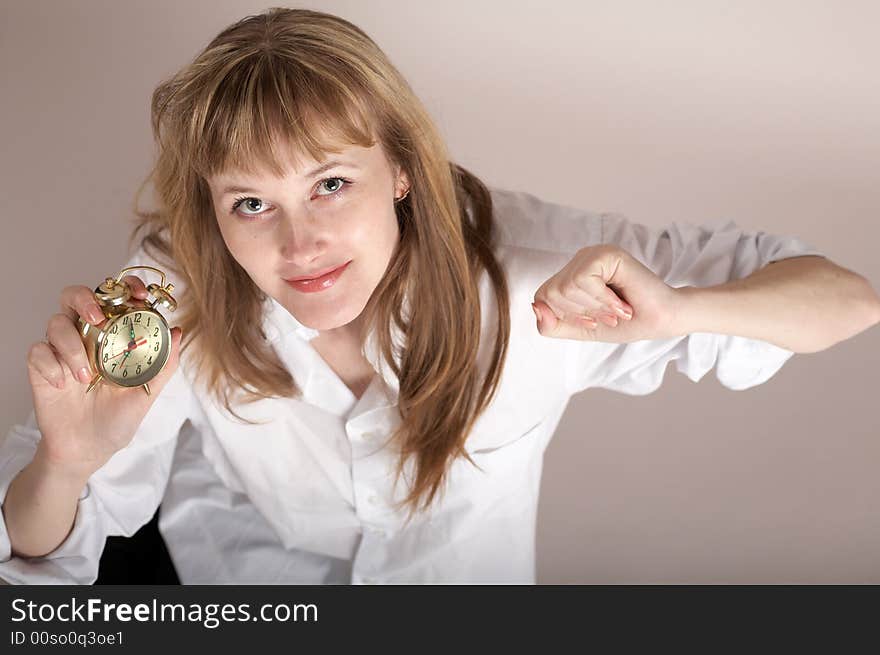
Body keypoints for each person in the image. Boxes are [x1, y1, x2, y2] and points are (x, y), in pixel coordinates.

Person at [1, 8, 877, 585]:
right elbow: (37, 559)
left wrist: (680, 312)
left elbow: (846, 298)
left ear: (405, 171)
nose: (298, 244)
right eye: (251, 203)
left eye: (333, 183)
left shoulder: (535, 269)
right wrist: (66, 466)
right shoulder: (166, 300)